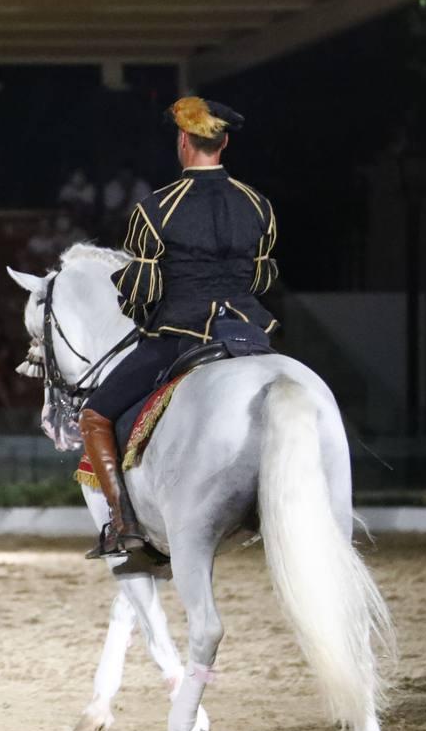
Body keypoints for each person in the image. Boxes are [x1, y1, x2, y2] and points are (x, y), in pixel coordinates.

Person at [82, 96, 278, 559]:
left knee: (95, 414)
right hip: (249, 337)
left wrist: (139, 310)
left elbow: (140, 291)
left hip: (180, 337)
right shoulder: (259, 206)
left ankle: (124, 526)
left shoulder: (155, 209)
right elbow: (260, 278)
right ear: (223, 142)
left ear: (183, 141)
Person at [99, 161, 153, 248]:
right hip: (118, 221)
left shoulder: (142, 187)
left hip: (138, 220)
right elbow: (111, 213)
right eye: (123, 177)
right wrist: (127, 195)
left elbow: (148, 211)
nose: (126, 180)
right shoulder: (112, 187)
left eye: (128, 177)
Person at [57, 165, 98, 235]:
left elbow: (91, 207)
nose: (79, 177)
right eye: (76, 175)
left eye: (81, 175)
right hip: (69, 217)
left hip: (85, 218)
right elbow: (62, 205)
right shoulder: (66, 188)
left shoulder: (90, 189)